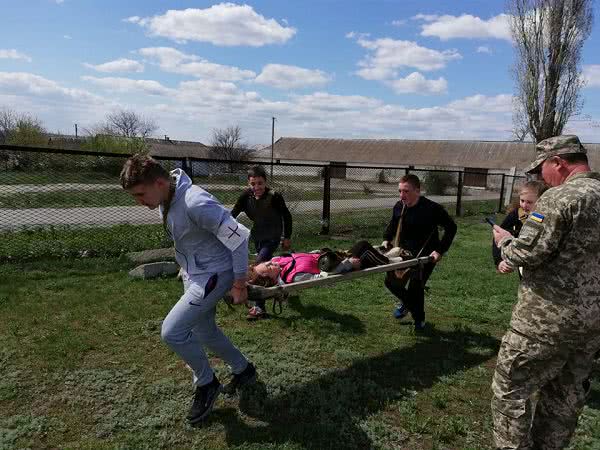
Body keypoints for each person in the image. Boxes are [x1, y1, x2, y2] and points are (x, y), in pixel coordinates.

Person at [120, 155, 257, 424]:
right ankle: (244, 370)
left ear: (159, 182)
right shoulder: (166, 197)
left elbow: (239, 238)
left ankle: (206, 384)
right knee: (204, 331)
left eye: (140, 194)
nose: (139, 201)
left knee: (172, 331)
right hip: (195, 274)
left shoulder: (195, 201)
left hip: (214, 276)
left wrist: (240, 283)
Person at [491, 135, 600, 450]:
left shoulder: (559, 198)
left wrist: (504, 242)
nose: (540, 178)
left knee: (510, 391)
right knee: (564, 398)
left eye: (542, 170)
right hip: (590, 328)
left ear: (560, 163)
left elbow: (526, 253)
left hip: (543, 323)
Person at [382, 174, 457, 331]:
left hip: (426, 255)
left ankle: (419, 319)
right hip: (403, 252)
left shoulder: (432, 209)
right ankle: (408, 304)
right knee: (390, 282)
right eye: (400, 191)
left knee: (416, 287)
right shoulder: (399, 206)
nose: (402, 195)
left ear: (418, 191)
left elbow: (451, 228)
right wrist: (386, 239)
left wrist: (440, 250)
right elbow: (393, 223)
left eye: (406, 191)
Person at [231, 165, 293, 320]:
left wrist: (287, 236)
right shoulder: (246, 196)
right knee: (265, 265)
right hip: (258, 236)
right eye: (253, 184)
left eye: (260, 183)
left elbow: (287, 216)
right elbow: (232, 214)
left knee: (258, 267)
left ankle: (259, 307)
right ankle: (280, 288)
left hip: (273, 236)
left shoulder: (274, 196)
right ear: (248, 183)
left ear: (265, 182)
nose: (256, 187)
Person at [248, 240, 389, 287]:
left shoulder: (277, 261)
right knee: (363, 248)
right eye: (268, 267)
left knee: (365, 251)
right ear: (271, 278)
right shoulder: (294, 277)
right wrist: (349, 264)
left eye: (267, 263)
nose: (270, 263)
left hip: (331, 257)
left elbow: (301, 257)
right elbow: (324, 277)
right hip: (338, 266)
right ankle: (390, 260)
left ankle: (384, 254)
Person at [492, 181, 548, 274]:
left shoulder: (550, 218)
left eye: (529, 202)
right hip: (523, 265)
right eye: (522, 201)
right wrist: (500, 261)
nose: (524, 205)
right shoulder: (516, 215)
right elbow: (498, 237)